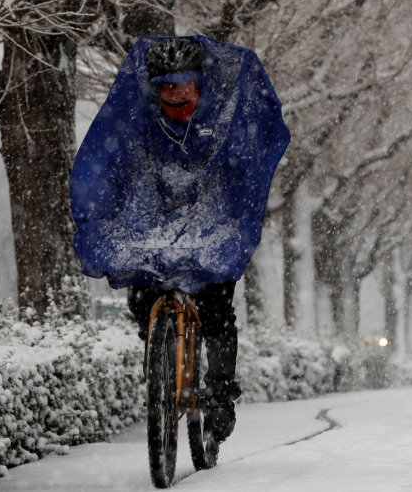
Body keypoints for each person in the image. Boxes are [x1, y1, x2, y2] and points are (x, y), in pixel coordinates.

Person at [69, 35, 290, 443]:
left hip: (211, 221)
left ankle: (221, 396)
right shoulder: (137, 120)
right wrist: (97, 211)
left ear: (199, 85)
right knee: (142, 298)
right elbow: (105, 163)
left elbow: (244, 170)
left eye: (182, 86)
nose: (175, 95)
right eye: (166, 87)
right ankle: (161, 360)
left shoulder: (224, 120)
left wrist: (238, 219)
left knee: (218, 311)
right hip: (151, 222)